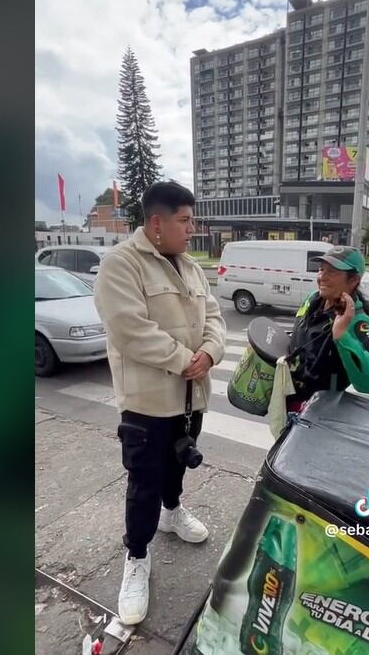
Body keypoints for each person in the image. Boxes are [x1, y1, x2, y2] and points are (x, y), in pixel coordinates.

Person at [94, 181, 227, 625]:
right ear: (157, 223)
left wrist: (210, 352)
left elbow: (215, 317)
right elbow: (128, 329)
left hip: (192, 396)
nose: (193, 229)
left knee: (177, 466)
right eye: (185, 220)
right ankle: (137, 556)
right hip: (148, 403)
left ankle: (172, 514)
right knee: (144, 480)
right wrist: (184, 359)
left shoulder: (191, 266)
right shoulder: (121, 265)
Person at [285, 246, 369, 414]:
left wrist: (341, 336)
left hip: (320, 415)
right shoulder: (313, 299)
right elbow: (301, 335)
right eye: (321, 269)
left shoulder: (358, 321)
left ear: (353, 280)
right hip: (291, 401)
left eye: (332, 272)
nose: (322, 277)